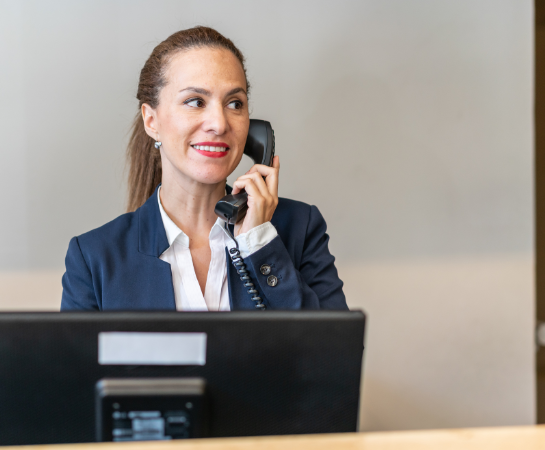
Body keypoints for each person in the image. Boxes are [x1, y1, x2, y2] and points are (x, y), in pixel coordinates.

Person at [61, 26, 346, 311]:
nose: (219, 124)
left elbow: (334, 342)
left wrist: (259, 245)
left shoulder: (300, 229)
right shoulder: (94, 258)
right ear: (151, 121)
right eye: (195, 102)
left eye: (234, 103)